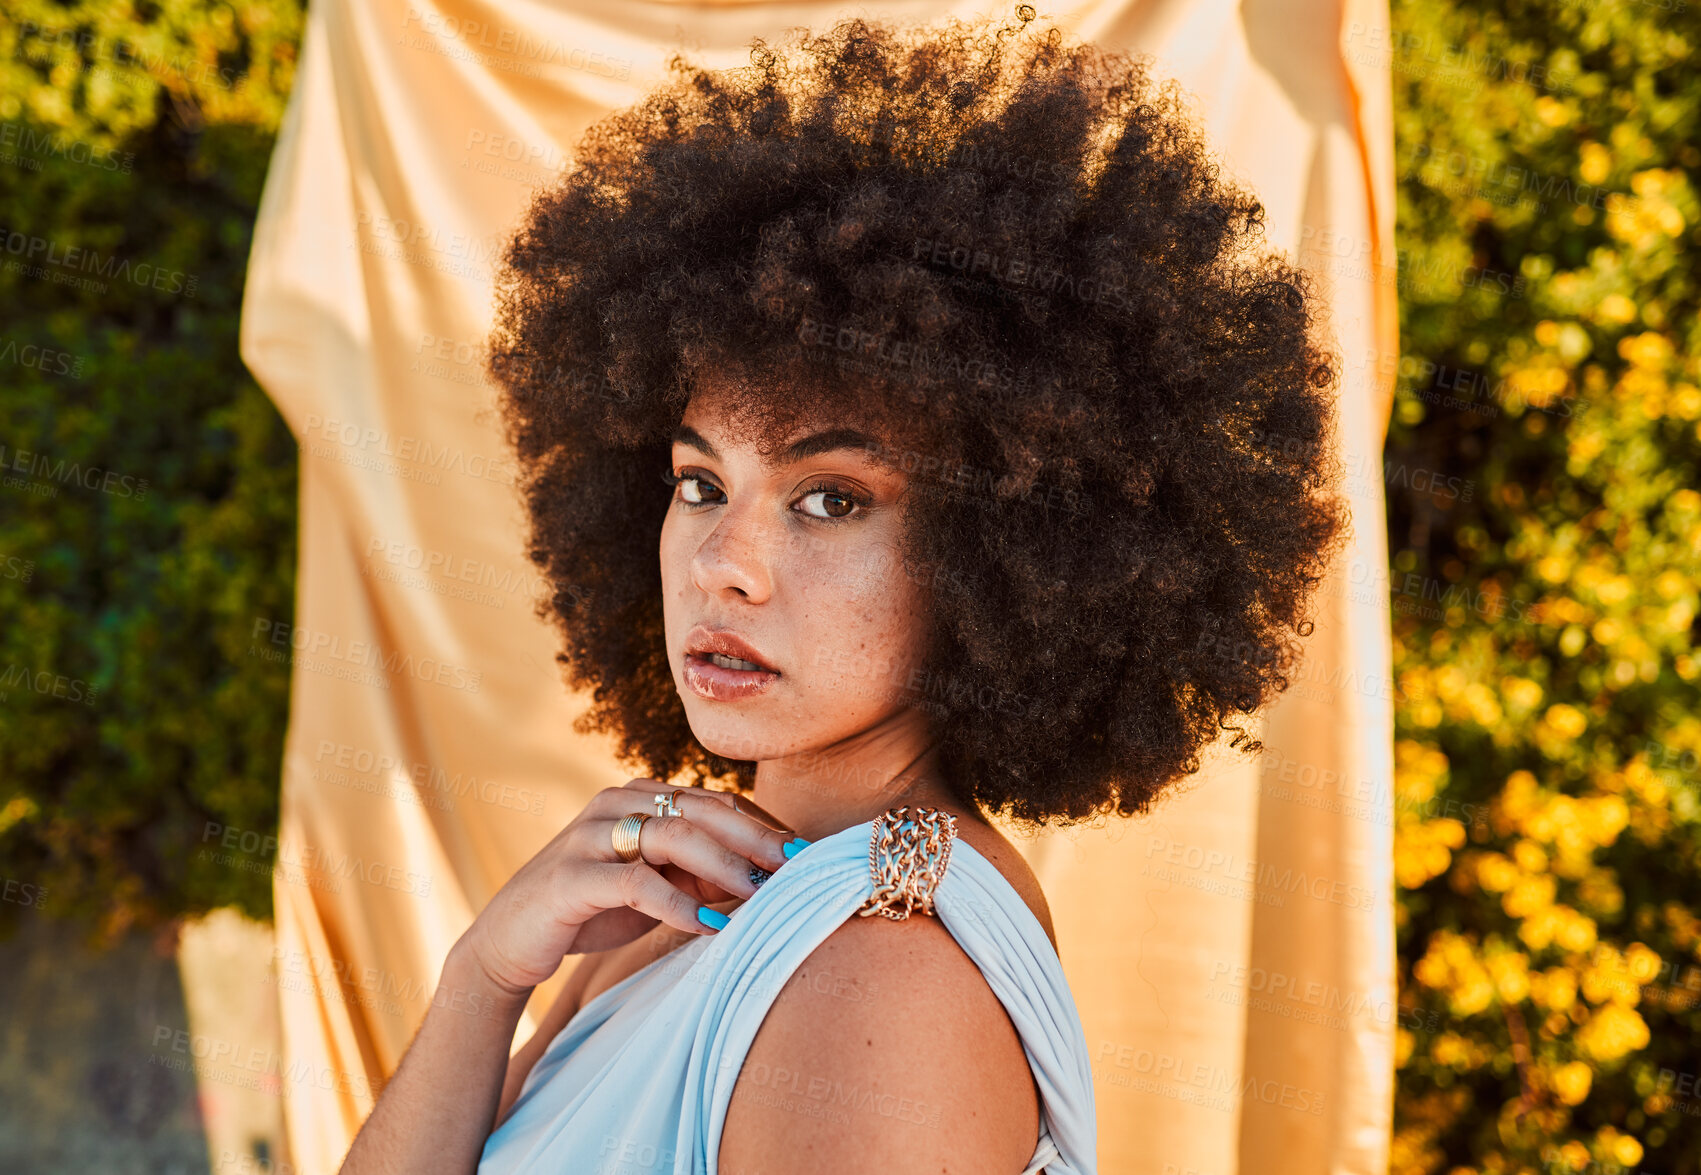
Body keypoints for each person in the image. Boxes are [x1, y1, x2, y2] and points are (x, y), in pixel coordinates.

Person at [337, 6, 1348, 1173]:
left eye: (830, 498)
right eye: (700, 481)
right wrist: (485, 974)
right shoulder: (680, 909)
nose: (726, 562)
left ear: (1005, 552)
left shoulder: (886, 972)